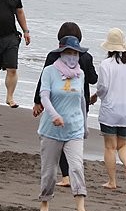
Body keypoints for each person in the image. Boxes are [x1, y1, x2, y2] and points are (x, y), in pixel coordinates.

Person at [31, 22, 98, 188]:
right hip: (79, 103)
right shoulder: (86, 57)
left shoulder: (53, 56)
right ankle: (70, 174)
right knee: (73, 138)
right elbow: (94, 78)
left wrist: (37, 101)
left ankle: (66, 176)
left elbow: (43, 79)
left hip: (58, 102)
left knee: (59, 138)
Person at [36, 35, 94, 211]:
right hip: (51, 130)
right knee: (50, 170)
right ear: (61, 53)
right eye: (69, 52)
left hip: (74, 129)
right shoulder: (49, 72)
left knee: (76, 167)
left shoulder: (81, 73)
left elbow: (82, 101)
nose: (72, 57)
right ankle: (45, 202)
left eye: (75, 53)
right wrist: (54, 115)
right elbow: (44, 96)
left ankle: (80, 208)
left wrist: (85, 125)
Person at [96, 28, 126, 190]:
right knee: (123, 146)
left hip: (110, 111)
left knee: (110, 147)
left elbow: (103, 88)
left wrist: (95, 96)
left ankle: (112, 182)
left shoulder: (105, 65)